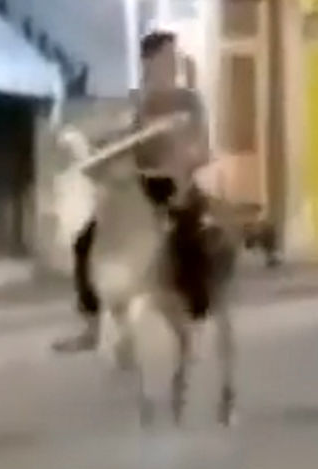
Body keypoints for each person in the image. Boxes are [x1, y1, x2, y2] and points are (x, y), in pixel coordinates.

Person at [53, 30, 213, 352]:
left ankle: (194, 316)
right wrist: (83, 142)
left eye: (173, 57)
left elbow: (203, 149)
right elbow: (118, 139)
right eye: (164, 58)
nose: (171, 64)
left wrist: (185, 159)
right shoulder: (137, 102)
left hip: (177, 184)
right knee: (86, 242)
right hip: (141, 185)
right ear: (148, 62)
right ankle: (92, 325)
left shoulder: (188, 101)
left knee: (190, 241)